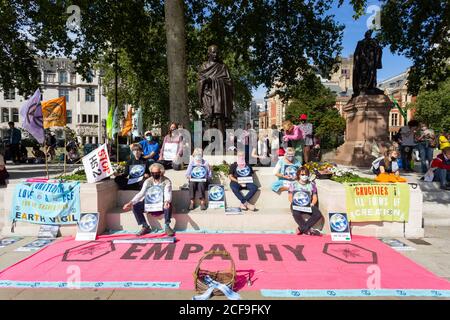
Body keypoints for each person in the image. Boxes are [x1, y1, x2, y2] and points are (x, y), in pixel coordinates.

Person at [122, 163, 175, 236]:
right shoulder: (148, 181)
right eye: (152, 173)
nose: (154, 174)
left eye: (157, 173)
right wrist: (131, 202)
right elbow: (141, 193)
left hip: (161, 202)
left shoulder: (166, 181)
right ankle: (145, 226)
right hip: (149, 203)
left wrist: (167, 201)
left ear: (161, 172)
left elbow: (167, 193)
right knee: (135, 206)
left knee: (168, 205)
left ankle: (167, 226)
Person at [288, 167, 322, 236]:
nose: (304, 176)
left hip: (308, 204)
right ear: (298, 175)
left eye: (306, 174)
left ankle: (301, 229)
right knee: (296, 213)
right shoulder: (293, 184)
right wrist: (294, 203)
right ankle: (308, 230)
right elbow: (290, 196)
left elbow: (315, 197)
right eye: (302, 174)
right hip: (296, 204)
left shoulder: (312, 184)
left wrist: (312, 203)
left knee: (318, 214)